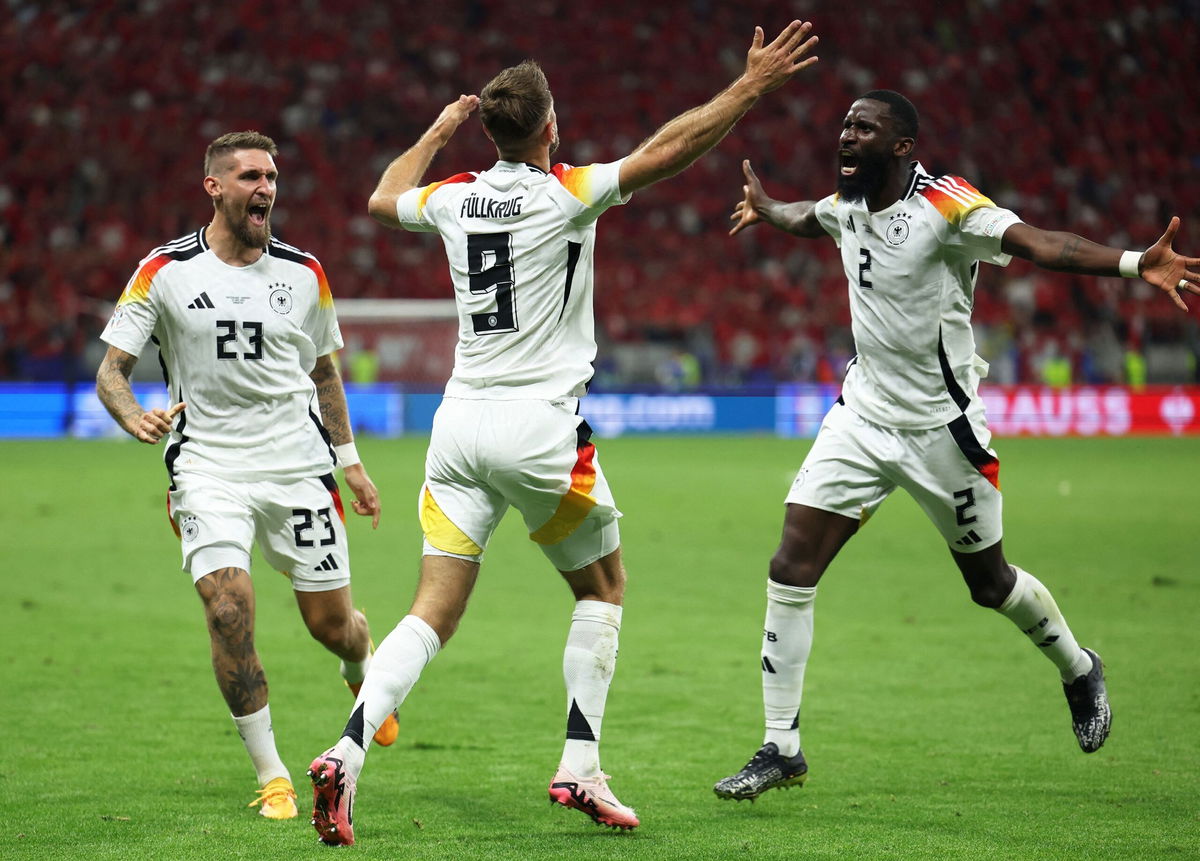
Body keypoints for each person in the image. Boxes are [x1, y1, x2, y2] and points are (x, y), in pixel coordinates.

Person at [306, 21, 820, 846]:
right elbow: (672, 149)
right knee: (603, 589)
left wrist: (439, 130)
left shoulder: (454, 195)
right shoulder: (568, 191)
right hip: (539, 431)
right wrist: (751, 86)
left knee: (430, 611)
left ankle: (347, 749)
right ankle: (580, 765)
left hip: (459, 427)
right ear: (551, 125)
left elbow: (379, 195)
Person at [713, 90, 1200, 801]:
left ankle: (1077, 666)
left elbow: (1042, 244)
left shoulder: (947, 206)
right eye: (844, 125)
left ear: (902, 146)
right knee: (791, 562)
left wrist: (1133, 263)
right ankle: (780, 746)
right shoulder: (848, 205)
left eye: (864, 128)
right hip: (862, 415)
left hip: (944, 432)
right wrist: (765, 206)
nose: (846, 137)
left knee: (989, 584)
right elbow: (805, 219)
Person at [95, 131, 400, 820]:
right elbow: (112, 369)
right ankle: (273, 774)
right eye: (249, 176)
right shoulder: (163, 270)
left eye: (271, 175)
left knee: (333, 626)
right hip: (208, 466)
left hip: (298, 468)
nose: (266, 187)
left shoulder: (305, 272)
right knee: (228, 609)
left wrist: (351, 465)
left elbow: (325, 373)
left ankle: (360, 663)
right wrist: (129, 412)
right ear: (214, 187)